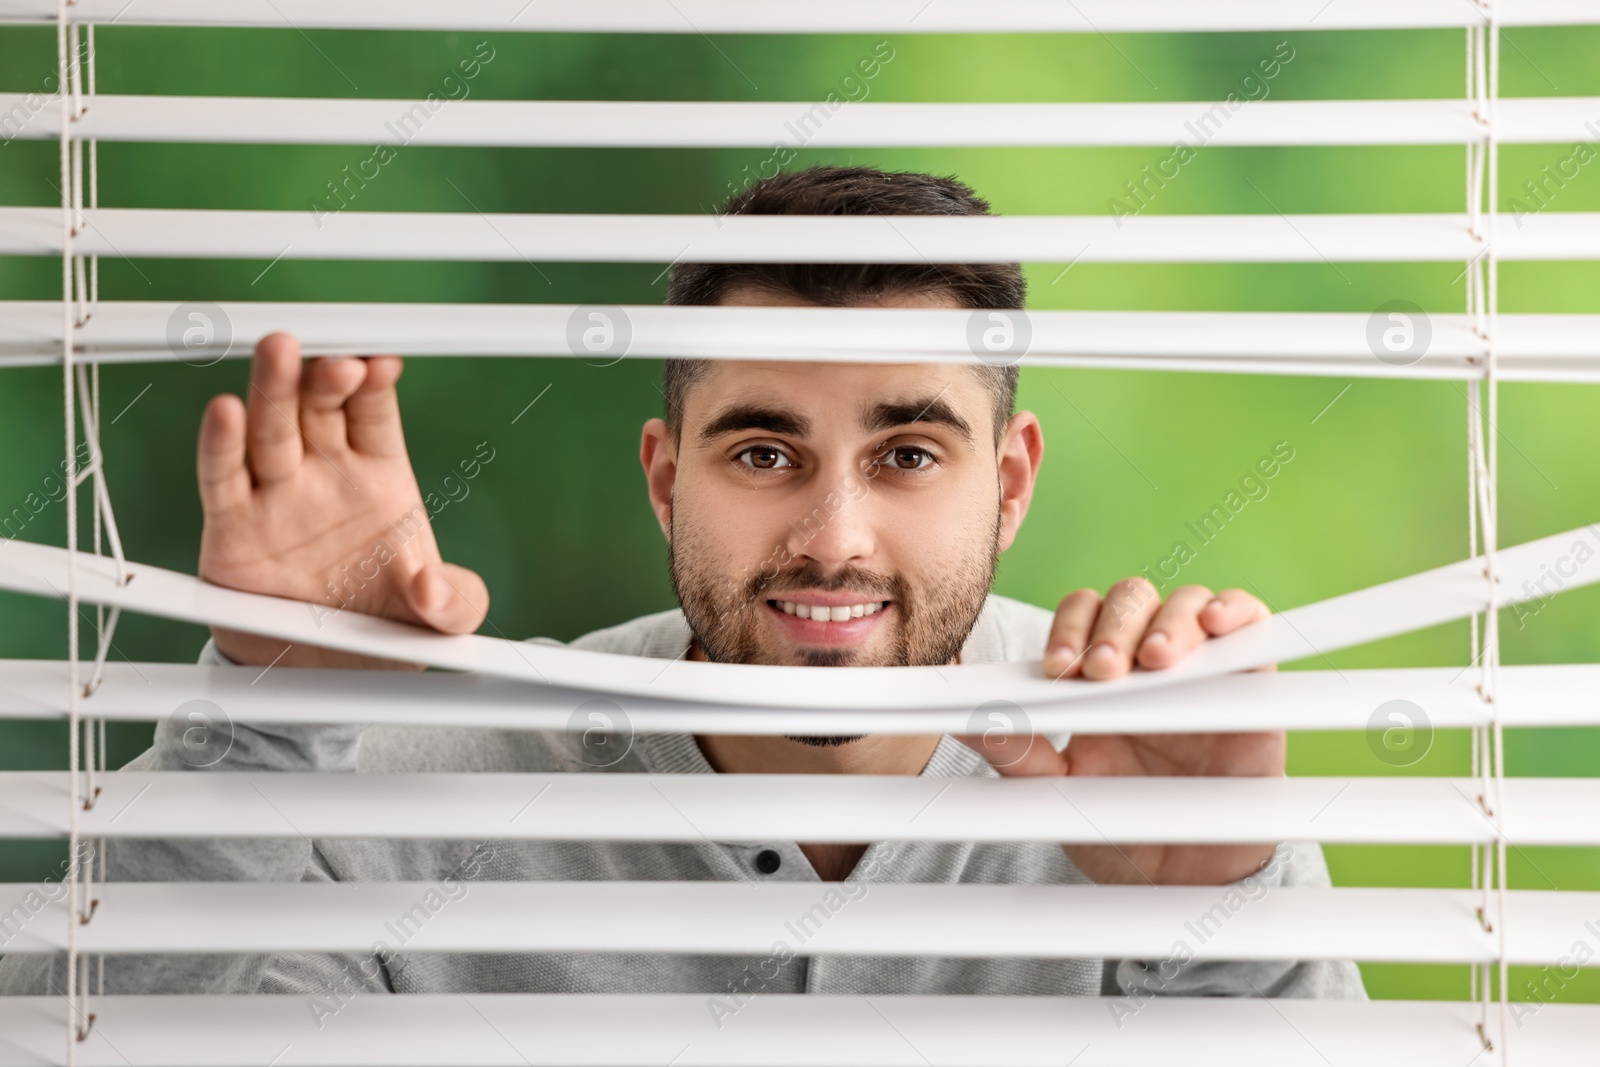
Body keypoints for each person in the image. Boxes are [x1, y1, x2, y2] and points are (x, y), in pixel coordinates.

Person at [0, 165, 1364, 1010]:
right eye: (762, 451)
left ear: (1008, 483)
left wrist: (1221, 914)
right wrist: (263, 716)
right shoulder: (416, 804)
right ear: (664, 478)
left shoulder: (1150, 779)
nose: (833, 538)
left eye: (907, 453)